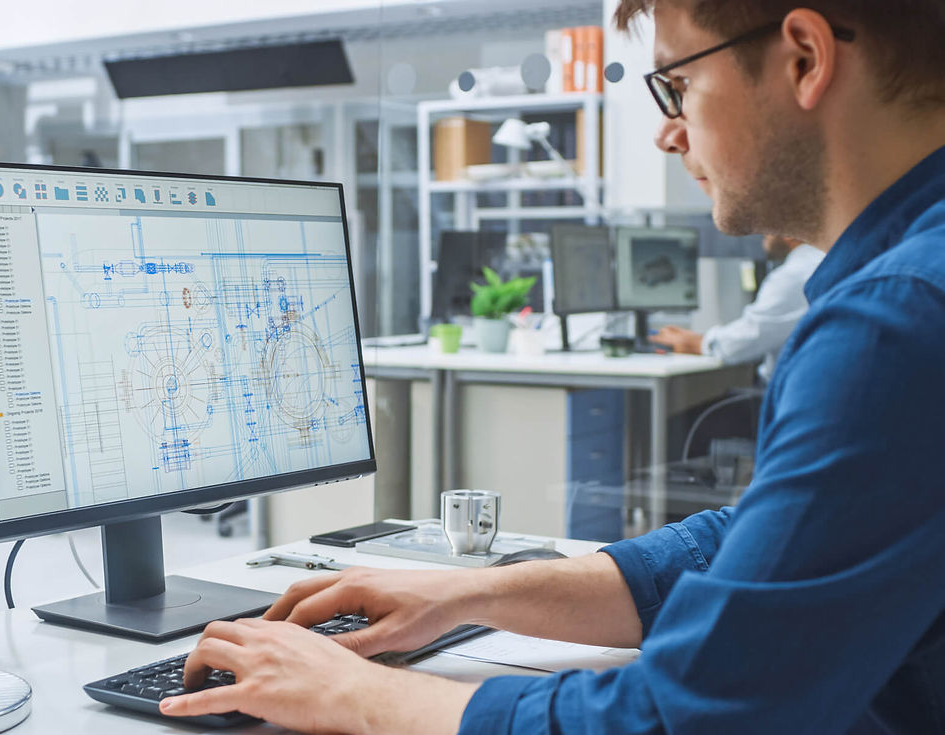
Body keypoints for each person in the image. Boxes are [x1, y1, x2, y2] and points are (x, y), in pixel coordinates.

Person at [160, 2, 945, 732]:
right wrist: (467, 593)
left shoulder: (895, 323)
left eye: (677, 86)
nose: (667, 134)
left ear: (804, 58)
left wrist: (351, 691)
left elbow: (687, 716)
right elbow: (756, 548)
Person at [651, 235, 824, 381]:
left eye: (769, 228)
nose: (762, 235)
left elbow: (749, 337)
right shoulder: (820, 262)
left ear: (789, 233)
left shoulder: (792, 275)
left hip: (788, 393)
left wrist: (696, 343)